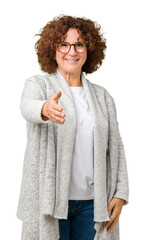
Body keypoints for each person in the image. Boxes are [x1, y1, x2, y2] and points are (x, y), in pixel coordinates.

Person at [16, 15, 129, 240]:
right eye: (64, 44)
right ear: (53, 49)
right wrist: (44, 109)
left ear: (88, 50)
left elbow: (116, 147)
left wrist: (121, 193)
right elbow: (27, 107)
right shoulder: (39, 85)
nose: (72, 51)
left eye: (79, 44)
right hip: (49, 202)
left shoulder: (102, 96)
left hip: (92, 205)